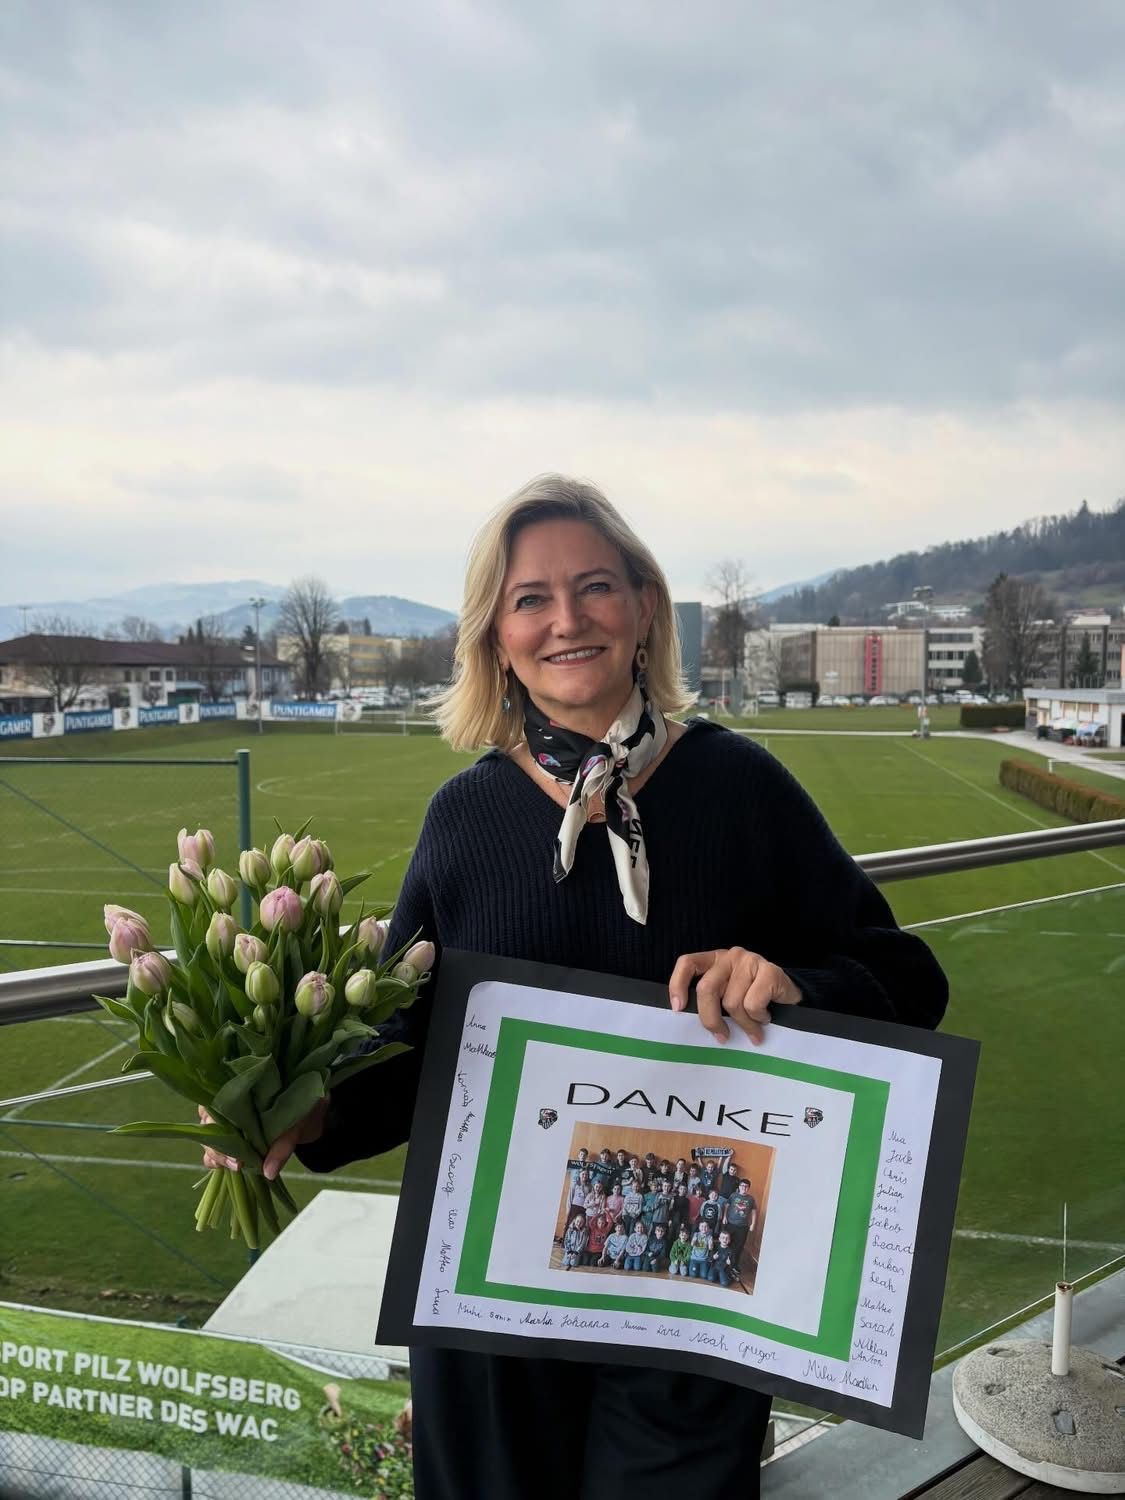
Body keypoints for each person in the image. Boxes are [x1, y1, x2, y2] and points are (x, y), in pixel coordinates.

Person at [204, 475, 947, 1498]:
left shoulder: (741, 789)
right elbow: (408, 1053)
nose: (567, 620)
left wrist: (787, 981)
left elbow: (909, 980)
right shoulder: (464, 819)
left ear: (644, 605)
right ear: (495, 637)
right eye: (530, 600)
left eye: (595, 586)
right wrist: (301, 1111)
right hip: (490, 1314)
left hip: (688, 1310)